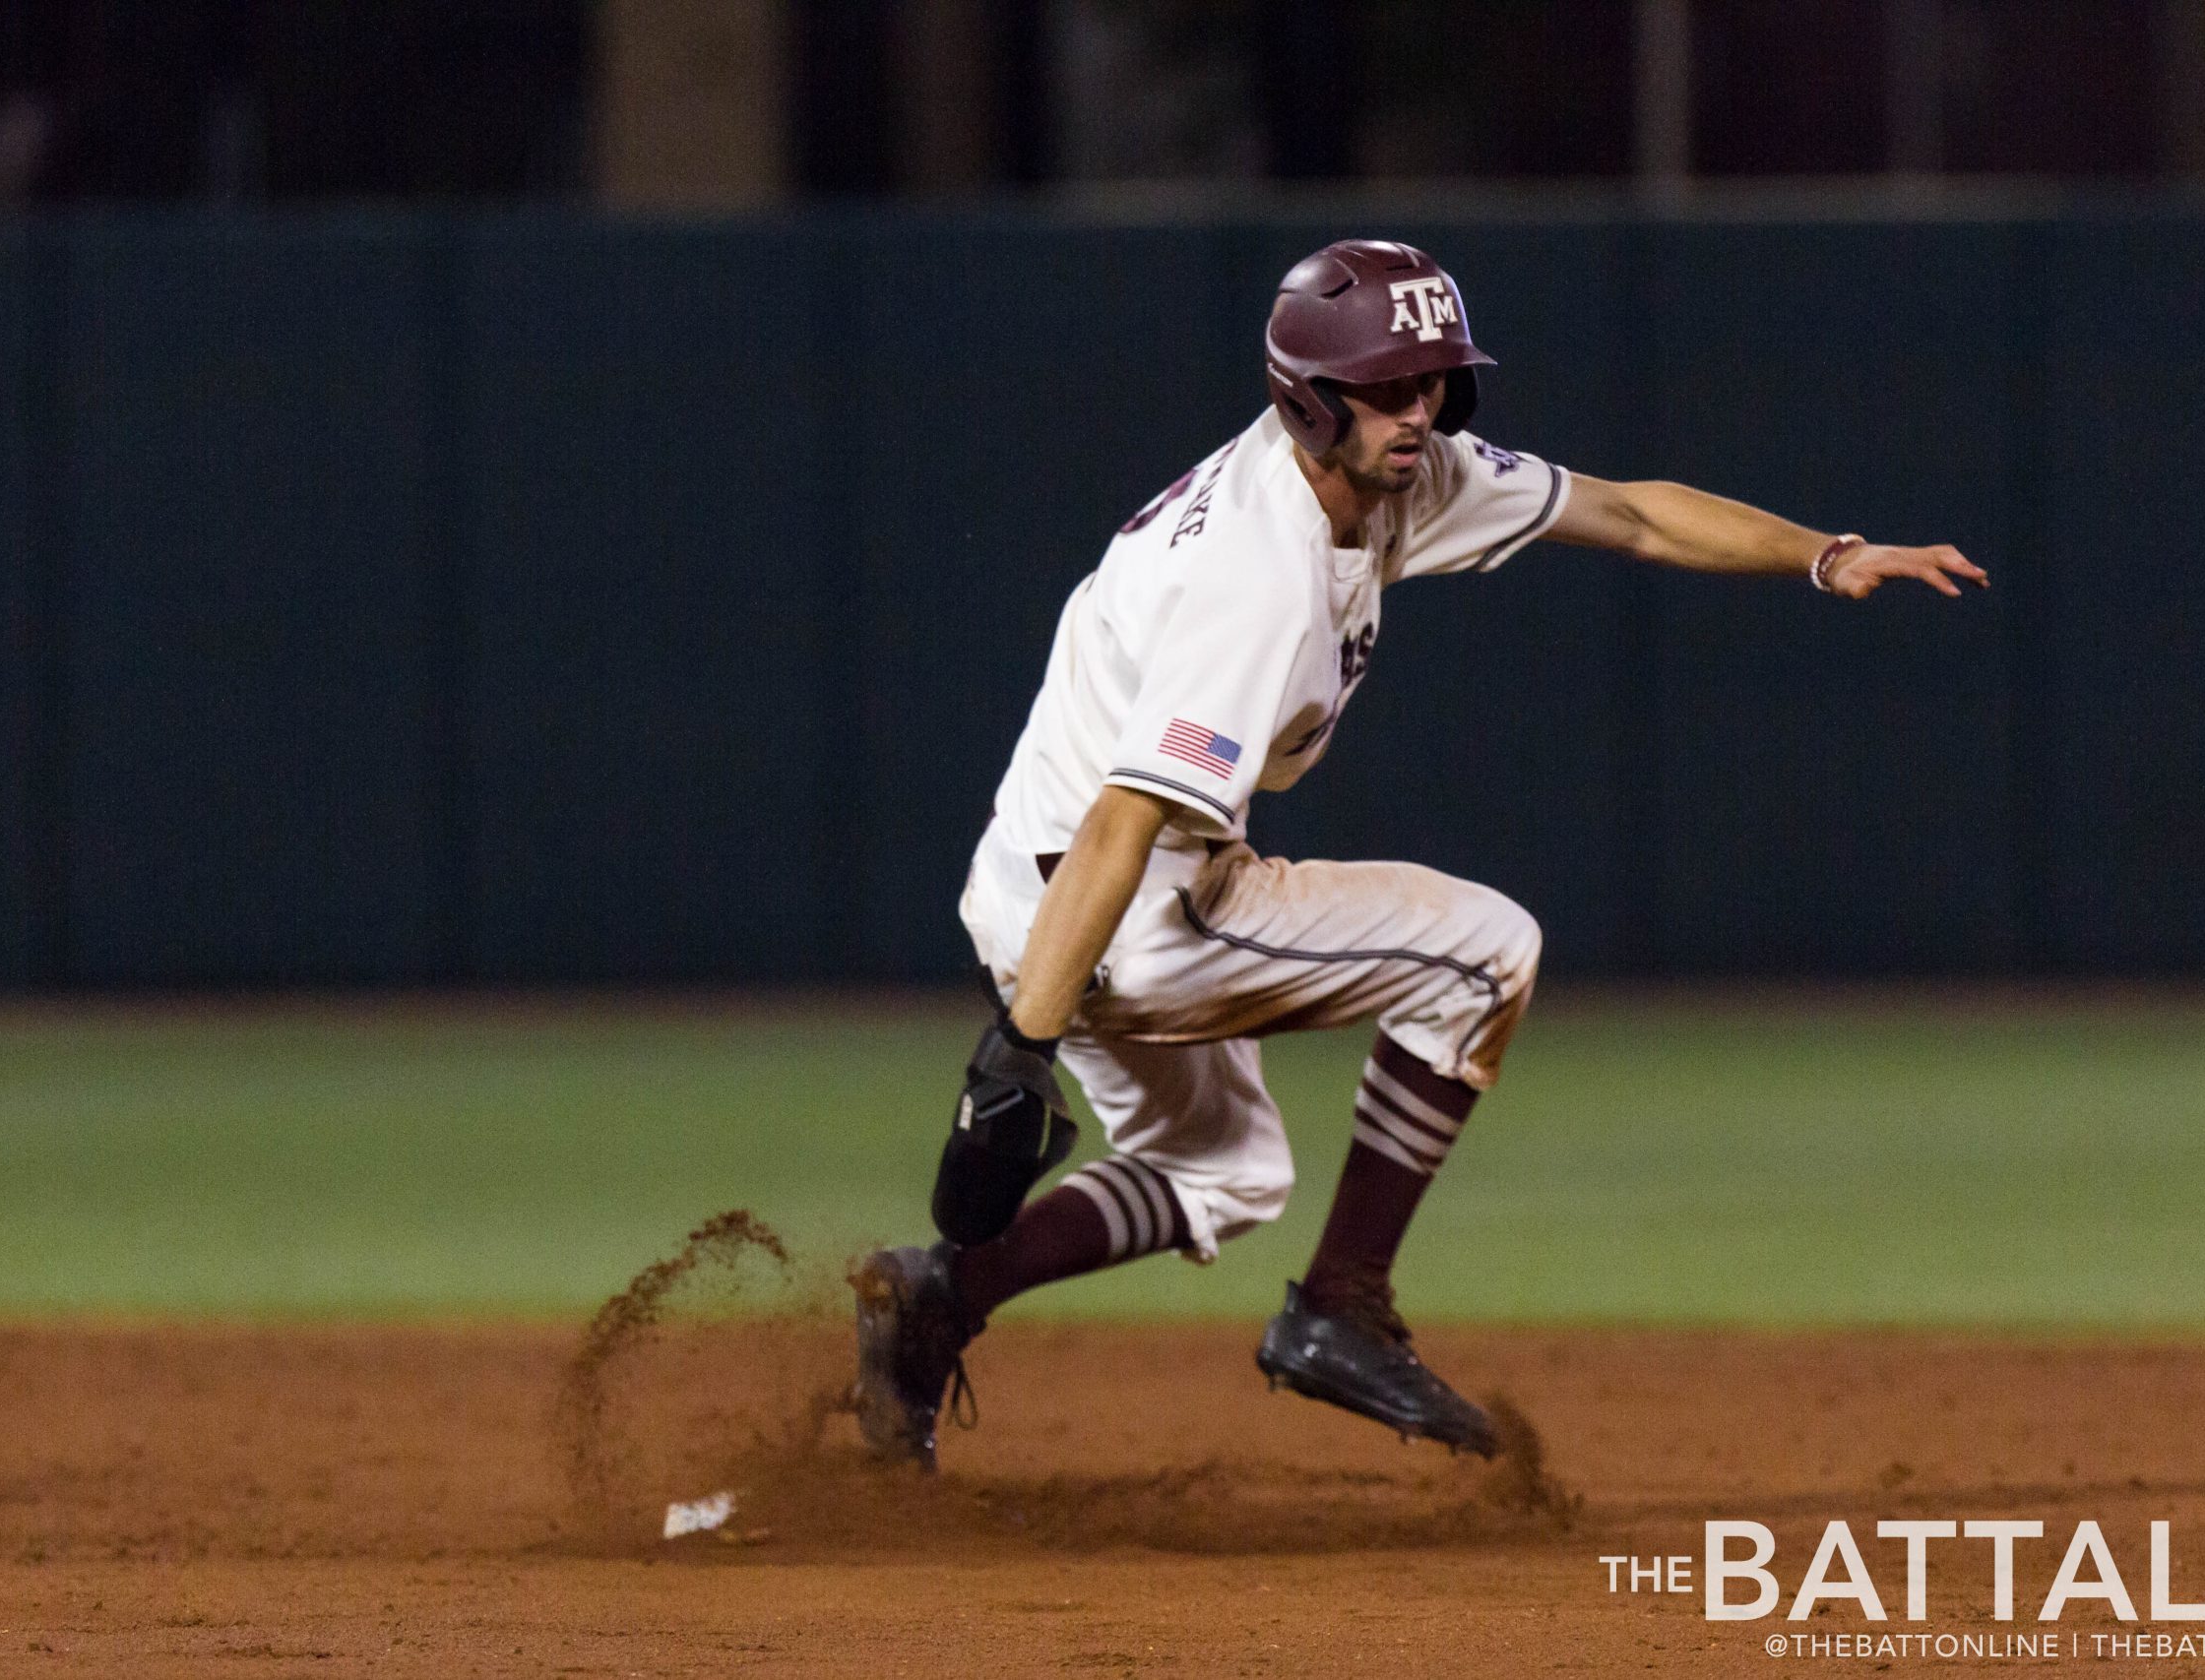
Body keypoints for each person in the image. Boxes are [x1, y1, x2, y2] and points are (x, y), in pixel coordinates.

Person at [850, 238, 1985, 1468]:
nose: (1420, 410)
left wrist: (1826, 553)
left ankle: (937, 1303)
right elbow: (1127, 818)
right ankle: (1341, 1306)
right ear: (1308, 399)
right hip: (1112, 904)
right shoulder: (1254, 573)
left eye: (1434, 379)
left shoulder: (1401, 472)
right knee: (1482, 952)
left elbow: (1630, 511)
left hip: (1047, 885)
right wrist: (1021, 1044)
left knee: (1222, 1171)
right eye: (1390, 389)